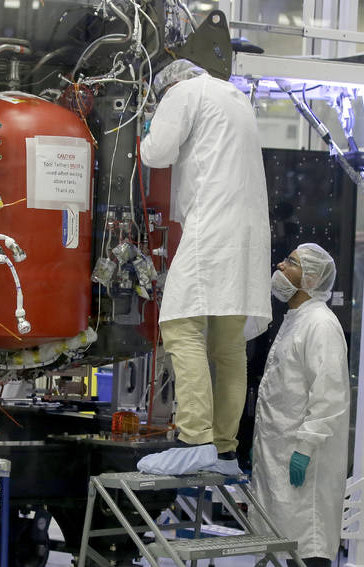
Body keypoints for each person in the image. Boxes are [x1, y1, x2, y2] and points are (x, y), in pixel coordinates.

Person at [137, 59, 272, 475]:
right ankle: (226, 451)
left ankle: (194, 439)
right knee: (229, 348)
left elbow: (158, 153)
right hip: (248, 235)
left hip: (212, 227)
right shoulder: (235, 97)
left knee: (179, 325)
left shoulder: (183, 92)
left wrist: (145, 132)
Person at [251, 243, 350, 567]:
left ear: (309, 278)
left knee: (309, 533)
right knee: (293, 532)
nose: (280, 265)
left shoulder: (321, 325)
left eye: (290, 262)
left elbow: (329, 395)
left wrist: (306, 446)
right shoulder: (296, 318)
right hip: (283, 446)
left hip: (305, 450)